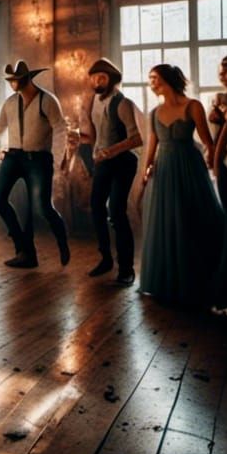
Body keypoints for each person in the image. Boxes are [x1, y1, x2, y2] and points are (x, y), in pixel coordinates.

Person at [138, 64, 225, 308]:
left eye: (154, 78)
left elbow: (208, 142)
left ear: (166, 79)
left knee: (192, 218)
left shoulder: (192, 106)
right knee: (167, 222)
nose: (151, 83)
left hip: (189, 167)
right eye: (150, 79)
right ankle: (169, 281)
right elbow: (152, 146)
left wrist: (215, 162)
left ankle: (205, 277)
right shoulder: (154, 113)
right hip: (164, 170)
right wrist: (146, 171)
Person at [0, 61, 71, 268]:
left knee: (41, 208)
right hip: (13, 157)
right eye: (9, 80)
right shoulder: (10, 102)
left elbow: (60, 129)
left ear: (26, 78)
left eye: (14, 80)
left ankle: (61, 240)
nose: (11, 83)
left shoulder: (47, 100)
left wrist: (57, 160)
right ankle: (23, 248)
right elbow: (0, 125)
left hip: (38, 159)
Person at [77, 58, 143, 285]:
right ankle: (105, 259)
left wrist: (111, 150)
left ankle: (126, 269)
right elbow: (96, 133)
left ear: (112, 79)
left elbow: (137, 138)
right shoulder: (93, 101)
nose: (97, 81)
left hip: (123, 162)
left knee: (116, 211)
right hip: (103, 161)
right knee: (96, 207)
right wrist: (85, 141)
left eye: (102, 77)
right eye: (94, 78)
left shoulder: (122, 103)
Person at [210, 54, 227, 314]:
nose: (222, 75)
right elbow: (218, 142)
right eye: (222, 70)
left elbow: (222, 144)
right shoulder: (221, 99)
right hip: (226, 167)